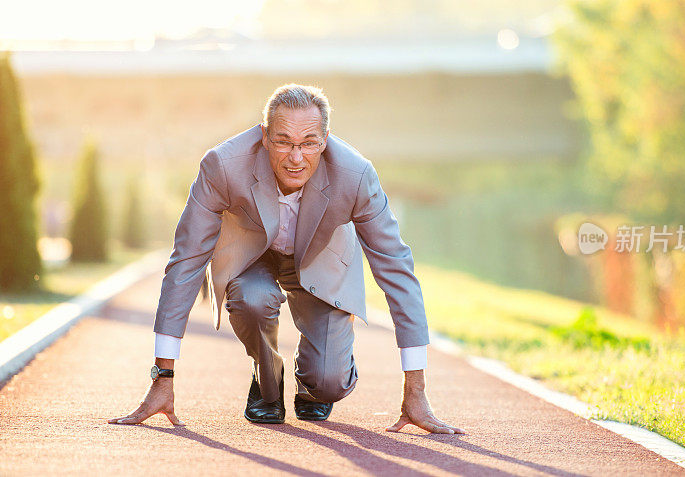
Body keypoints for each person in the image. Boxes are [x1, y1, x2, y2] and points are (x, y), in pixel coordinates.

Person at [108, 84, 463, 434]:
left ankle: (314, 376)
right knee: (252, 299)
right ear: (264, 136)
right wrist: (163, 375)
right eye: (283, 142)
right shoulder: (222, 165)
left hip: (320, 259)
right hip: (253, 256)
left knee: (329, 384)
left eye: (309, 143)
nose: (296, 158)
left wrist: (415, 390)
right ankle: (267, 377)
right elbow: (186, 261)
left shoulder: (355, 176)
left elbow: (395, 266)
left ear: (325, 140)